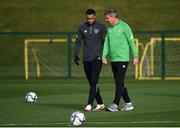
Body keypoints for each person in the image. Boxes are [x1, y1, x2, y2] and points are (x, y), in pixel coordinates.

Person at [102, 8, 138, 112]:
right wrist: (104, 56)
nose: (106, 20)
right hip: (114, 60)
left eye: (107, 18)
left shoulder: (124, 26)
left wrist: (135, 56)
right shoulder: (109, 29)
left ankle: (115, 104)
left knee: (119, 81)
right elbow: (106, 44)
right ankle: (128, 103)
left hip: (123, 59)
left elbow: (131, 42)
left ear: (112, 17)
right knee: (119, 83)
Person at [74, 9, 107, 111]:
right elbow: (78, 42)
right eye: (88, 18)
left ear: (95, 16)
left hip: (97, 58)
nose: (90, 20)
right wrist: (75, 54)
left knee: (93, 81)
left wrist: (103, 56)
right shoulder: (81, 28)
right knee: (92, 83)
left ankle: (89, 104)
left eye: (92, 18)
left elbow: (105, 43)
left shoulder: (101, 27)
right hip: (86, 59)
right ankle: (100, 103)